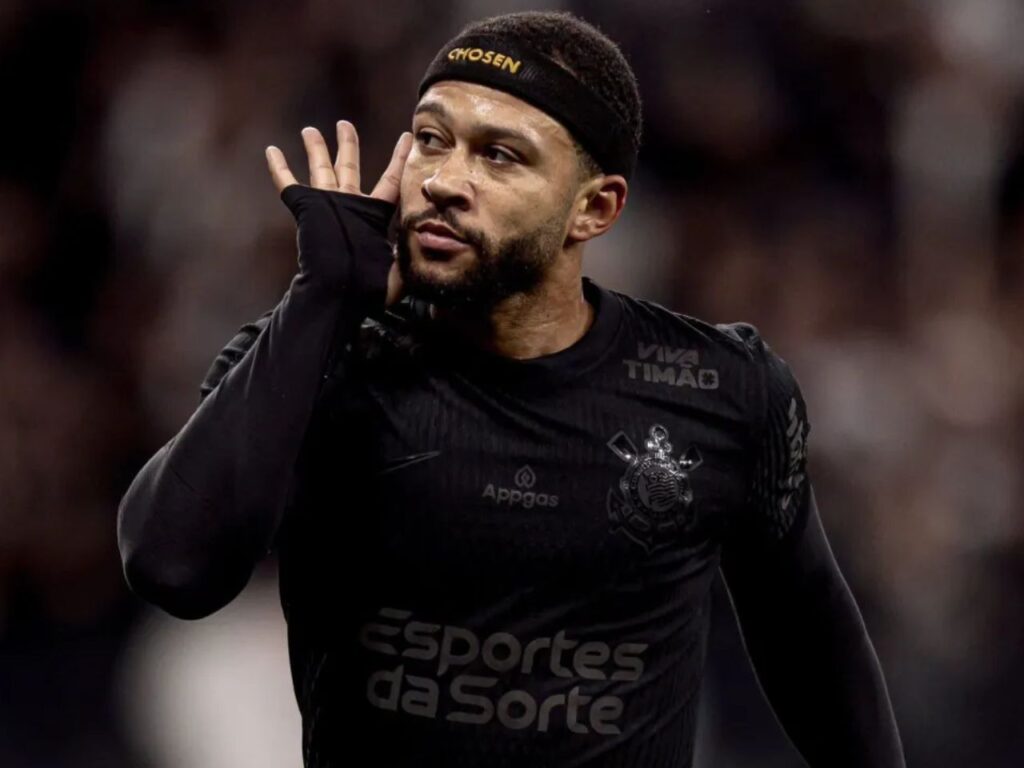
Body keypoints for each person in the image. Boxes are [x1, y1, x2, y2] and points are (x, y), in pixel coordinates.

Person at [117, 10, 905, 767]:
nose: (444, 181)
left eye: (500, 156)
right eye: (432, 140)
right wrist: (319, 301)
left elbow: (814, 649)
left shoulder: (720, 391)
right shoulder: (318, 357)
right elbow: (172, 570)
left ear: (594, 208)